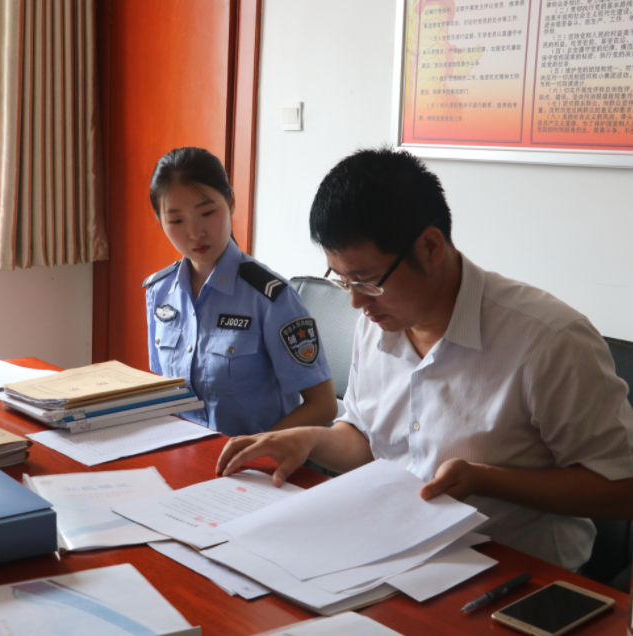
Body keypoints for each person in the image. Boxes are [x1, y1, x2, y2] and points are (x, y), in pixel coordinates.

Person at [217, 147, 633, 570]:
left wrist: (487, 480)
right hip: (393, 554)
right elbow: (369, 441)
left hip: (513, 574)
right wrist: (309, 440)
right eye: (343, 280)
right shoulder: (377, 320)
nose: (356, 302)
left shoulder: (548, 341)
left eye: (367, 280)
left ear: (431, 246)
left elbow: (623, 488)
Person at [144, 147, 337, 438]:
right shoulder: (159, 292)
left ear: (231, 202)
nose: (195, 233)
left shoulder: (271, 298)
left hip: (253, 461)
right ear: (160, 220)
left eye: (207, 212)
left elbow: (323, 406)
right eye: (177, 221)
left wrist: (255, 451)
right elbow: (163, 394)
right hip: (181, 453)